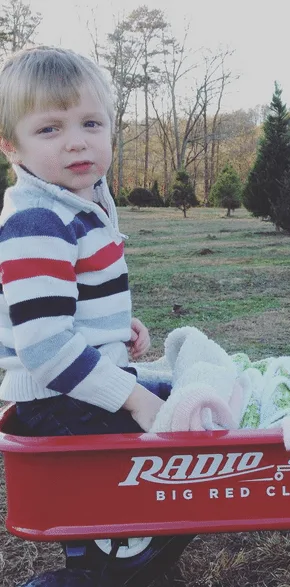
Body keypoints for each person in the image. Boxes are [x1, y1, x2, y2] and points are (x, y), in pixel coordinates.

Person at [0, 46, 168, 436]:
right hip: (63, 405)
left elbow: (60, 303)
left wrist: (111, 326)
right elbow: (45, 347)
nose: (76, 141)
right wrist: (137, 399)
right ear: (10, 145)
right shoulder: (38, 222)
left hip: (79, 392)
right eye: (49, 129)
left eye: (91, 124)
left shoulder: (77, 205)